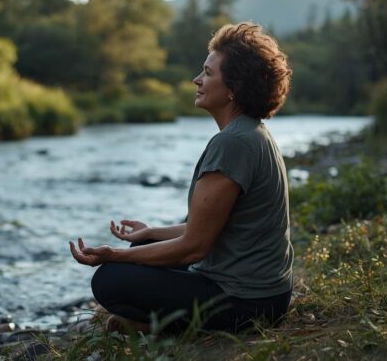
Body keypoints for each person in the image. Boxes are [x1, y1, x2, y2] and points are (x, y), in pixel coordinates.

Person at [69, 22, 294, 334]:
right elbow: (207, 229)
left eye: (208, 73)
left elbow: (194, 247)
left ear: (233, 88)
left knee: (109, 278)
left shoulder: (233, 143)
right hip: (267, 296)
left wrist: (114, 255)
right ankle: (158, 321)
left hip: (246, 304)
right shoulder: (251, 132)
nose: (196, 80)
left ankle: (160, 327)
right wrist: (150, 232)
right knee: (143, 244)